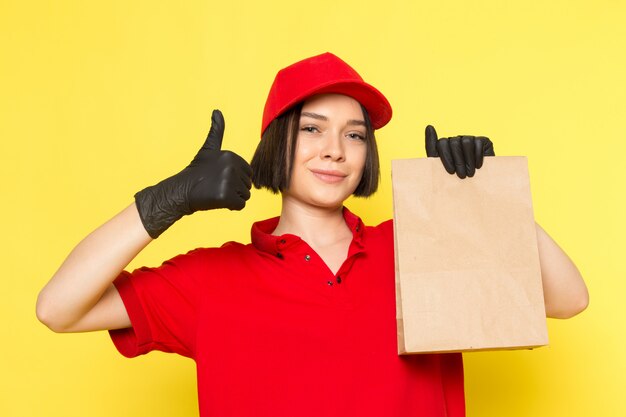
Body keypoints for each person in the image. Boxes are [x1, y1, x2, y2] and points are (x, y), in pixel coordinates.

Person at [36, 52, 588, 417]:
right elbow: (58, 309)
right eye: (312, 129)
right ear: (276, 144)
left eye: (354, 135)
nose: (335, 150)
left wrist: (485, 196)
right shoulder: (210, 278)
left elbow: (568, 299)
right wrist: (166, 200)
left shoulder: (418, 245)